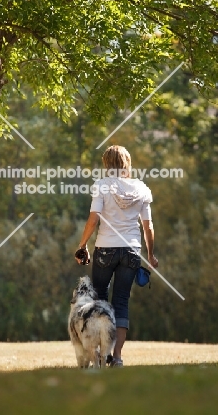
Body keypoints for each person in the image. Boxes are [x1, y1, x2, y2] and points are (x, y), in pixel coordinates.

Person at [75, 145, 158, 367]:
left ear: (106, 164)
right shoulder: (141, 188)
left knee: (100, 300)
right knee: (121, 301)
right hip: (131, 250)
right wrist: (151, 255)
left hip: (106, 249)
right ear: (127, 164)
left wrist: (82, 245)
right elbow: (148, 227)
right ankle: (118, 357)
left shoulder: (102, 186)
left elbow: (93, 219)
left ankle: (100, 354)